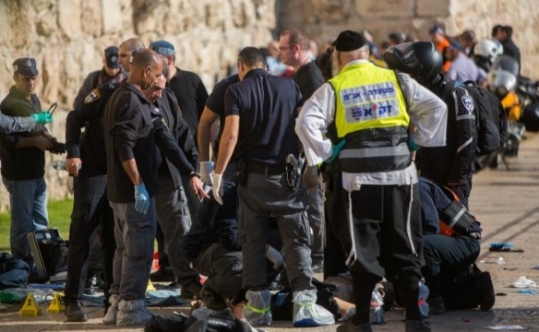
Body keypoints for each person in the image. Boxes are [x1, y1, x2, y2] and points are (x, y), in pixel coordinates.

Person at [296, 30, 448, 332]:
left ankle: (363, 322)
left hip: (357, 181)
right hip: (402, 178)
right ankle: (415, 320)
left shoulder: (335, 86)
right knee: (405, 246)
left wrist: (327, 152)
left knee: (362, 252)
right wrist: (416, 140)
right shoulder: (396, 80)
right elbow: (437, 108)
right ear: (366, 53)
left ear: (338, 58)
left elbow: (305, 123)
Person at [211, 47, 335, 327]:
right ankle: (304, 306)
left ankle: (259, 309)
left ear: (241, 65)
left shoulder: (236, 91)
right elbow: (306, 124)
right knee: (297, 240)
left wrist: (217, 173)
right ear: (265, 66)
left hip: (252, 179)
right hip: (288, 178)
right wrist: (312, 164)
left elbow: (230, 135)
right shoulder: (289, 85)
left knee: (252, 242)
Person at [63, 38, 145, 322]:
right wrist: (73, 153)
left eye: (124, 56)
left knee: (116, 238)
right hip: (95, 170)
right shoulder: (107, 91)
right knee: (82, 233)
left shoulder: (145, 94)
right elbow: (74, 117)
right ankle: (73, 299)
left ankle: (114, 299)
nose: (118, 60)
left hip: (121, 174)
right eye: (119, 56)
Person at [101, 48, 165, 327]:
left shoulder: (123, 95)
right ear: (145, 71)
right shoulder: (129, 100)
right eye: (158, 73)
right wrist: (139, 184)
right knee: (138, 249)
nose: (160, 79)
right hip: (131, 193)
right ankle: (130, 307)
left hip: (119, 192)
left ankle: (117, 304)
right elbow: (123, 145)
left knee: (123, 249)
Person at [145, 48, 208, 297]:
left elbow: (181, 134)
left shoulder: (167, 96)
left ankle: (188, 281)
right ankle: (123, 288)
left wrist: (194, 168)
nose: (162, 79)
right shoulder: (134, 99)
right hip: (138, 178)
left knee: (179, 228)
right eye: (158, 75)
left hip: (168, 177)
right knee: (135, 237)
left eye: (164, 75)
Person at [385, 41, 477, 208]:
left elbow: (468, 137)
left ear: (422, 70)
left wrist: (457, 178)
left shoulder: (455, 92)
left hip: (452, 178)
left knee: (454, 227)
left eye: (409, 72)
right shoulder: (416, 96)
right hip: (426, 174)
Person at [0, 57, 62, 269]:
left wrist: (52, 141)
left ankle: (39, 264)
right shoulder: (8, 105)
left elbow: (39, 127)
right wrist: (35, 141)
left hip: (37, 173)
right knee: (22, 225)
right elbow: (7, 141)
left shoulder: (33, 99)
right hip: (19, 175)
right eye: (26, 79)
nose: (31, 82)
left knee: (40, 223)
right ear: (15, 78)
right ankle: (20, 265)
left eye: (34, 78)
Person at [278, 28, 325, 272]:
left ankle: (317, 255)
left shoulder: (311, 77)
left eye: (283, 48)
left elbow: (319, 120)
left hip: (312, 155)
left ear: (297, 48)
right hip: (304, 153)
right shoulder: (300, 75)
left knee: (314, 206)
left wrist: (312, 162)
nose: (279, 53)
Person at [149, 40, 208, 218]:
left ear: (169, 59)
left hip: (188, 157)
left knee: (194, 210)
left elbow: (208, 119)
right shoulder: (153, 86)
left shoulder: (191, 81)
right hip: (164, 164)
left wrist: (206, 160)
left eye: (157, 58)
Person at [418, 177, 493, 315]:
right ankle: (479, 289)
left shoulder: (418, 187)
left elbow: (430, 228)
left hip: (465, 241)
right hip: (448, 242)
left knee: (424, 244)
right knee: (447, 296)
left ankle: (434, 301)